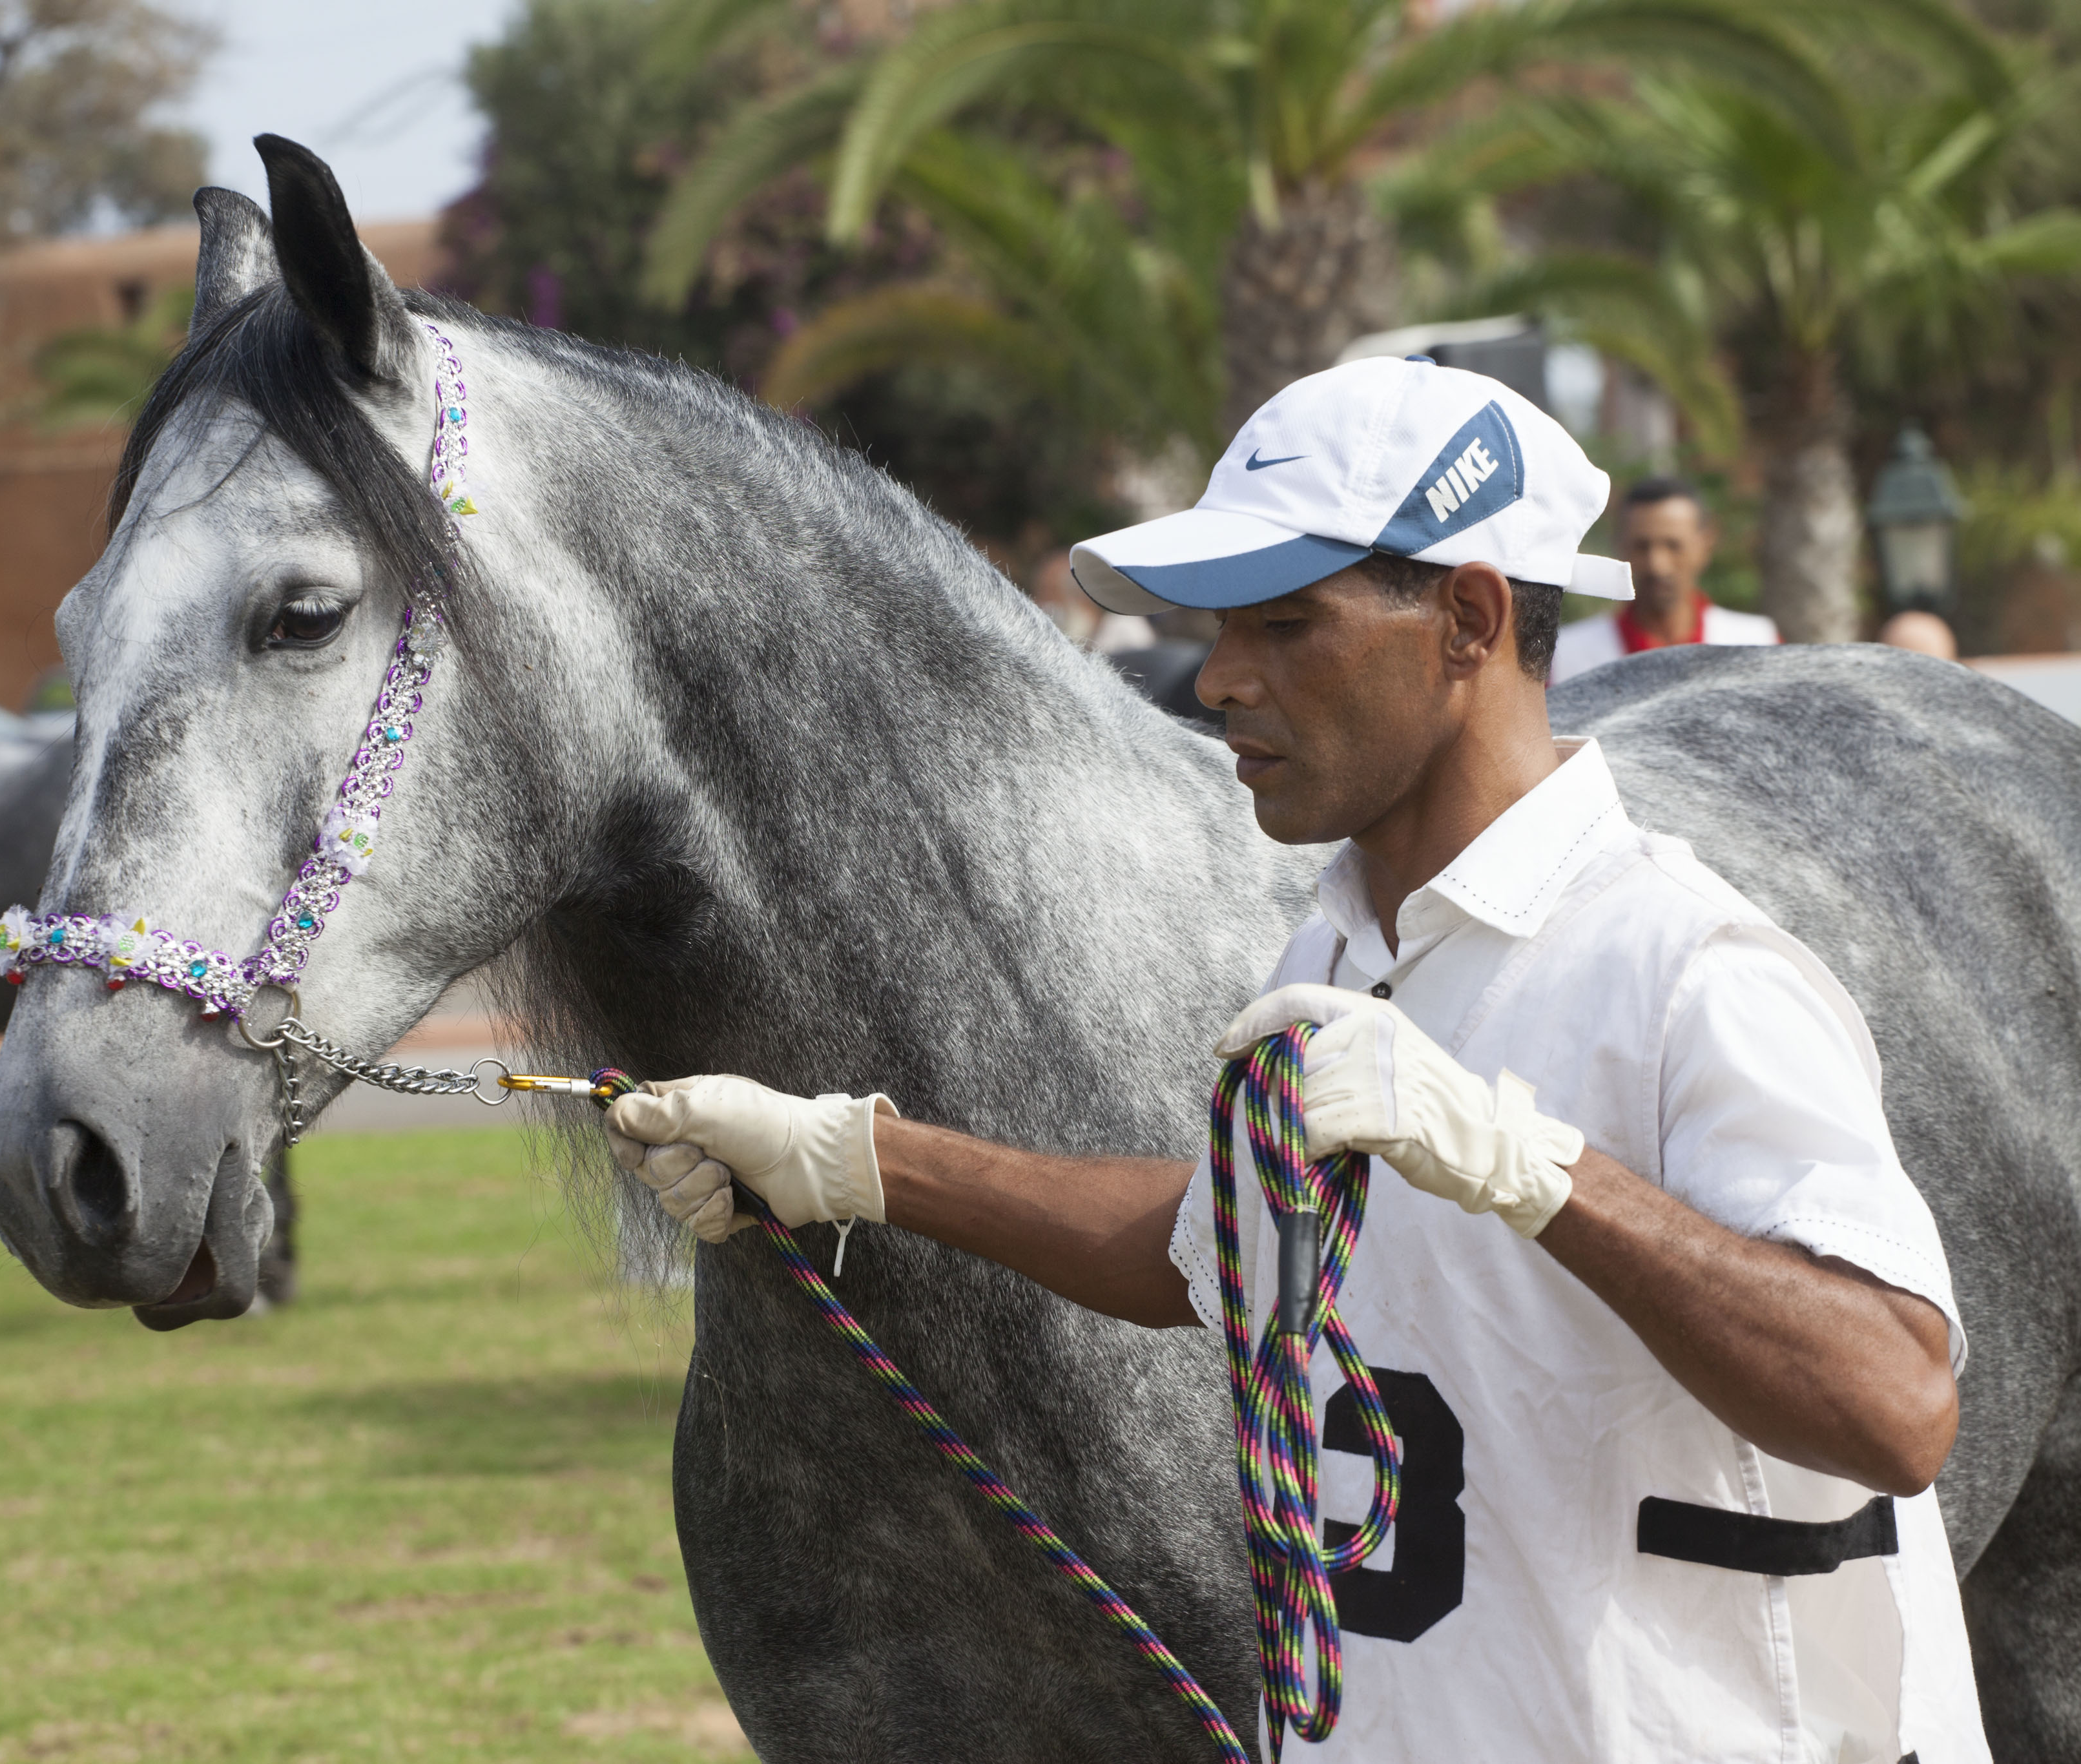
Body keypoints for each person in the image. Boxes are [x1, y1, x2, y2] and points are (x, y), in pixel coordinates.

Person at [606, 358, 1982, 1761]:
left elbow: (1891, 1401)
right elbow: (1214, 1243)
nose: (1216, 679)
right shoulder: (1336, 953)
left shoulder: (1687, 967)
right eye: (1217, 629)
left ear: (1466, 616)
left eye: (1283, 623)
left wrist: (1533, 1167)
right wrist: (851, 1158)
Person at [1549, 477, 1778, 683]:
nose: (1657, 565)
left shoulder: (1756, 645)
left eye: (1673, 546)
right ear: (1620, 545)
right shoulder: (1567, 658)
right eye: (1642, 546)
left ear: (1706, 542)